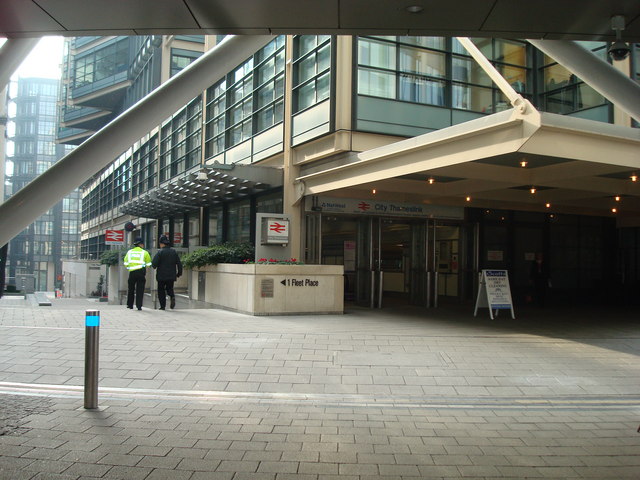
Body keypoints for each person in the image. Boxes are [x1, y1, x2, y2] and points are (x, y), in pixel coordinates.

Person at [152, 235, 183, 310]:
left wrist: (155, 266)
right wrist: (179, 273)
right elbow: (179, 263)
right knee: (170, 288)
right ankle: (172, 296)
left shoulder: (160, 252)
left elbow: (154, 264)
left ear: (162, 244)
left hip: (161, 276)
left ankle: (162, 306)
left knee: (161, 290)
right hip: (171, 275)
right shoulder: (174, 252)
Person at [123, 237, 151, 310]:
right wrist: (145, 271)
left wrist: (130, 267)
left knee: (131, 289)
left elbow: (125, 263)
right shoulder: (145, 252)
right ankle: (139, 306)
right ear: (141, 244)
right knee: (140, 290)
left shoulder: (129, 252)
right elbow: (148, 264)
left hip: (132, 272)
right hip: (141, 272)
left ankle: (130, 305)